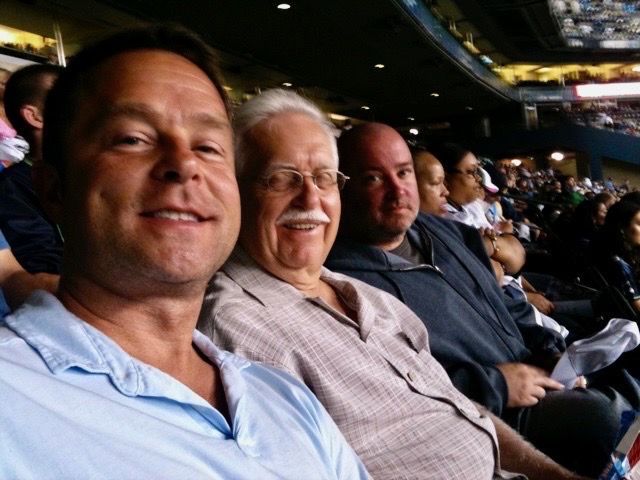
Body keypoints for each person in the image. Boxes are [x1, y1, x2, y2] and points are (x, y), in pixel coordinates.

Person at [0, 26, 368, 480]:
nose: (185, 163)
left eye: (209, 147)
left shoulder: (283, 395)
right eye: (132, 139)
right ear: (54, 189)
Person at [201, 89, 587, 480]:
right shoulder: (236, 330)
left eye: (324, 178)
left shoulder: (366, 298)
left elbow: (459, 409)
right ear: (235, 189)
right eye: (281, 179)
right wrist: (498, 385)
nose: (310, 200)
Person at [325, 121, 640, 477]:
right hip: (487, 412)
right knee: (604, 415)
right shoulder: (343, 282)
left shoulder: (443, 231)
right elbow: (396, 389)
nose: (397, 190)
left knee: (625, 378)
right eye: (373, 178)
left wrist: (551, 350)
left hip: (535, 372)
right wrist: (497, 385)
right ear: (341, 186)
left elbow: (506, 301)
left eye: (403, 173)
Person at [0, 63, 64, 274]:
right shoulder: (12, 187)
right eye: (70, 101)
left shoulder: (94, 170)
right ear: (35, 116)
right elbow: (42, 263)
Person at [592, 201, 640, 313]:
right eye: (639, 224)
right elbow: (637, 306)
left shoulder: (617, 254)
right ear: (622, 228)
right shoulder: (619, 264)